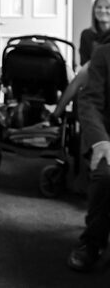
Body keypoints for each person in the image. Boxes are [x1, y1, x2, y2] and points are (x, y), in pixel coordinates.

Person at [68, 31, 110, 272]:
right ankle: (92, 243)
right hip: (105, 137)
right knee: (105, 176)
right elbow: (90, 102)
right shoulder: (103, 54)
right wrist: (101, 141)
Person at [51, 0, 110, 122]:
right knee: (79, 75)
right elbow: (84, 62)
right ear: (94, 11)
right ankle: (55, 116)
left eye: (107, 7)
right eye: (99, 7)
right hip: (93, 71)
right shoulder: (87, 35)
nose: (103, 11)